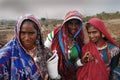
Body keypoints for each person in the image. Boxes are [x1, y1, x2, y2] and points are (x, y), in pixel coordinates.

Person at [0, 14, 51, 80]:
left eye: (31, 33)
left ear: (38, 33)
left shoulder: (44, 52)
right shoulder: (4, 56)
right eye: (23, 33)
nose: (27, 38)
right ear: (17, 33)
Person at [44, 10, 85, 80]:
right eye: (70, 23)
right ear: (65, 24)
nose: (73, 27)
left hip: (71, 76)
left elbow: (75, 63)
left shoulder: (79, 39)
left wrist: (81, 61)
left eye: (76, 24)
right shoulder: (55, 35)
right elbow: (44, 52)